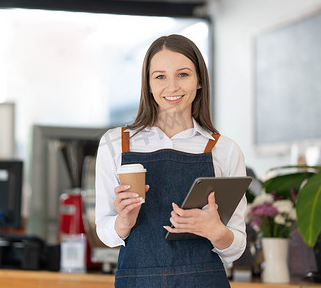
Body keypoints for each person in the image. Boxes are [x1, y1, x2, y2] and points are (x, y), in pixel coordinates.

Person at [95, 34, 247, 287]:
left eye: (183, 74)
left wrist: (215, 231)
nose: (172, 87)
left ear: (199, 81)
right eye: (160, 76)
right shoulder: (116, 143)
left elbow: (236, 249)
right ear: (149, 84)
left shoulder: (224, 149)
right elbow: (105, 232)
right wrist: (124, 222)